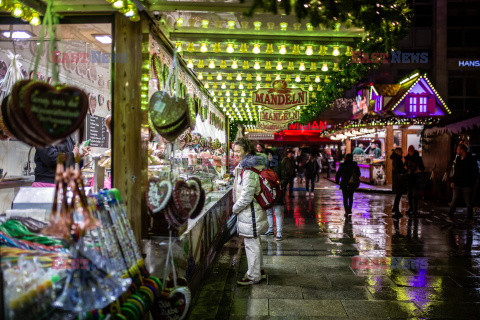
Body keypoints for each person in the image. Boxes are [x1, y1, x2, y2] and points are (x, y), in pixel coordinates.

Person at [232, 137, 268, 285]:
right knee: (254, 243)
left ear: (247, 151)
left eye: (238, 151)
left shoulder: (249, 170)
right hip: (250, 213)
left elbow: (246, 196)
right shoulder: (245, 167)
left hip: (251, 213)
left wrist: (235, 208)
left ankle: (253, 276)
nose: (235, 154)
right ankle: (258, 270)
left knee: (251, 244)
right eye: (234, 151)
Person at [449, 144, 479, 220]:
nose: (456, 151)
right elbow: (455, 172)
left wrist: (472, 182)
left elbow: (474, 172)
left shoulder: (470, 159)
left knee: (468, 202)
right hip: (458, 184)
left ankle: (469, 216)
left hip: (466, 184)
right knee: (454, 200)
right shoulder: (458, 159)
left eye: (458, 149)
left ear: (462, 150)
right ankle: (450, 215)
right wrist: (453, 181)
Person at [264, 148, 283, 241]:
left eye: (270, 155)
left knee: (278, 212)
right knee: (269, 212)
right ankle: (271, 229)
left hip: (277, 192)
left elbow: (284, 176)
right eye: (267, 155)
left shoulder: (279, 165)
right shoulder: (264, 166)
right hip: (267, 193)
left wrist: (279, 184)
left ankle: (279, 232)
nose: (269, 157)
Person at [404, 145, 425, 216]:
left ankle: (415, 209)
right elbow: (405, 166)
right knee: (409, 194)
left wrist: (418, 170)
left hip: (416, 178)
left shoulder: (418, 158)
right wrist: (407, 169)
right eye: (409, 151)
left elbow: (422, 168)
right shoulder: (407, 158)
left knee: (415, 195)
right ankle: (411, 208)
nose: (410, 153)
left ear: (413, 151)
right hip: (409, 178)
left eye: (411, 151)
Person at [390, 147, 407, 216]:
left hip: (396, 178)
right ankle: (396, 210)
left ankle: (395, 208)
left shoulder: (396, 159)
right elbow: (398, 169)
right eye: (401, 152)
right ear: (397, 152)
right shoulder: (397, 159)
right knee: (398, 194)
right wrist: (404, 170)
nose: (402, 153)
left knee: (398, 194)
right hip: (398, 179)